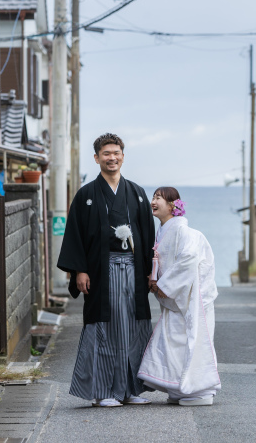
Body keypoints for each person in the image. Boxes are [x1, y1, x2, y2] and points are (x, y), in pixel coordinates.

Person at [57, 133, 156, 407]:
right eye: (106, 154)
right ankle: (102, 392)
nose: (112, 158)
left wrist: (150, 271)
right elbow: (75, 235)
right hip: (102, 271)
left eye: (116, 153)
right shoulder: (86, 195)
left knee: (134, 328)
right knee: (104, 327)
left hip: (134, 270)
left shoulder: (136, 193)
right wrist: (79, 270)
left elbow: (147, 234)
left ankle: (131, 389)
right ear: (97, 158)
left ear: (122, 156)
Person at [138, 187, 221, 406]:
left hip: (191, 299)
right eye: (153, 197)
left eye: (159, 198)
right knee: (174, 342)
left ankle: (200, 391)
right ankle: (179, 388)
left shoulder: (184, 232)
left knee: (190, 341)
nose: (153, 201)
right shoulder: (165, 230)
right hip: (177, 297)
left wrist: (164, 285)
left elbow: (189, 259)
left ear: (173, 205)